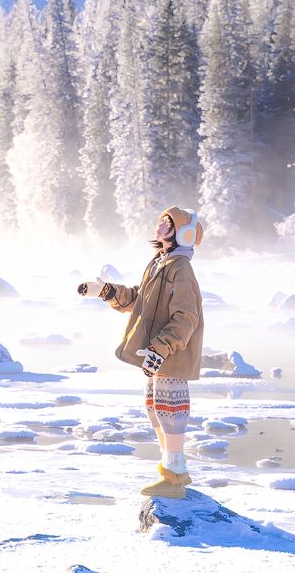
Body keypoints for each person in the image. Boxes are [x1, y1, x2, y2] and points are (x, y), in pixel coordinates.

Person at [78, 206, 204, 499]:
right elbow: (141, 300)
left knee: (170, 411)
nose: (160, 226)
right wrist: (107, 291)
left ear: (182, 234)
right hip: (156, 355)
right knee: (156, 410)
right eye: (161, 221)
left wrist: (160, 349)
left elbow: (186, 317)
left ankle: (175, 476)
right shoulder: (160, 263)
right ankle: (168, 468)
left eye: (167, 223)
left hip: (170, 355)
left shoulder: (180, 268)